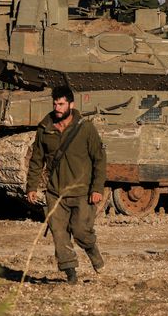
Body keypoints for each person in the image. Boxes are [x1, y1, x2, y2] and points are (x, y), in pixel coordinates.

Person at [26, 85, 107, 284]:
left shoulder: (85, 128)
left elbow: (99, 159)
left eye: (61, 104)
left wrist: (97, 188)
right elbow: (37, 160)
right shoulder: (45, 129)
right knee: (59, 235)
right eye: (55, 104)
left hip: (82, 192)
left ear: (71, 104)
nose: (57, 108)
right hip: (55, 193)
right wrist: (31, 186)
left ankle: (93, 253)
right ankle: (70, 273)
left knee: (80, 231)